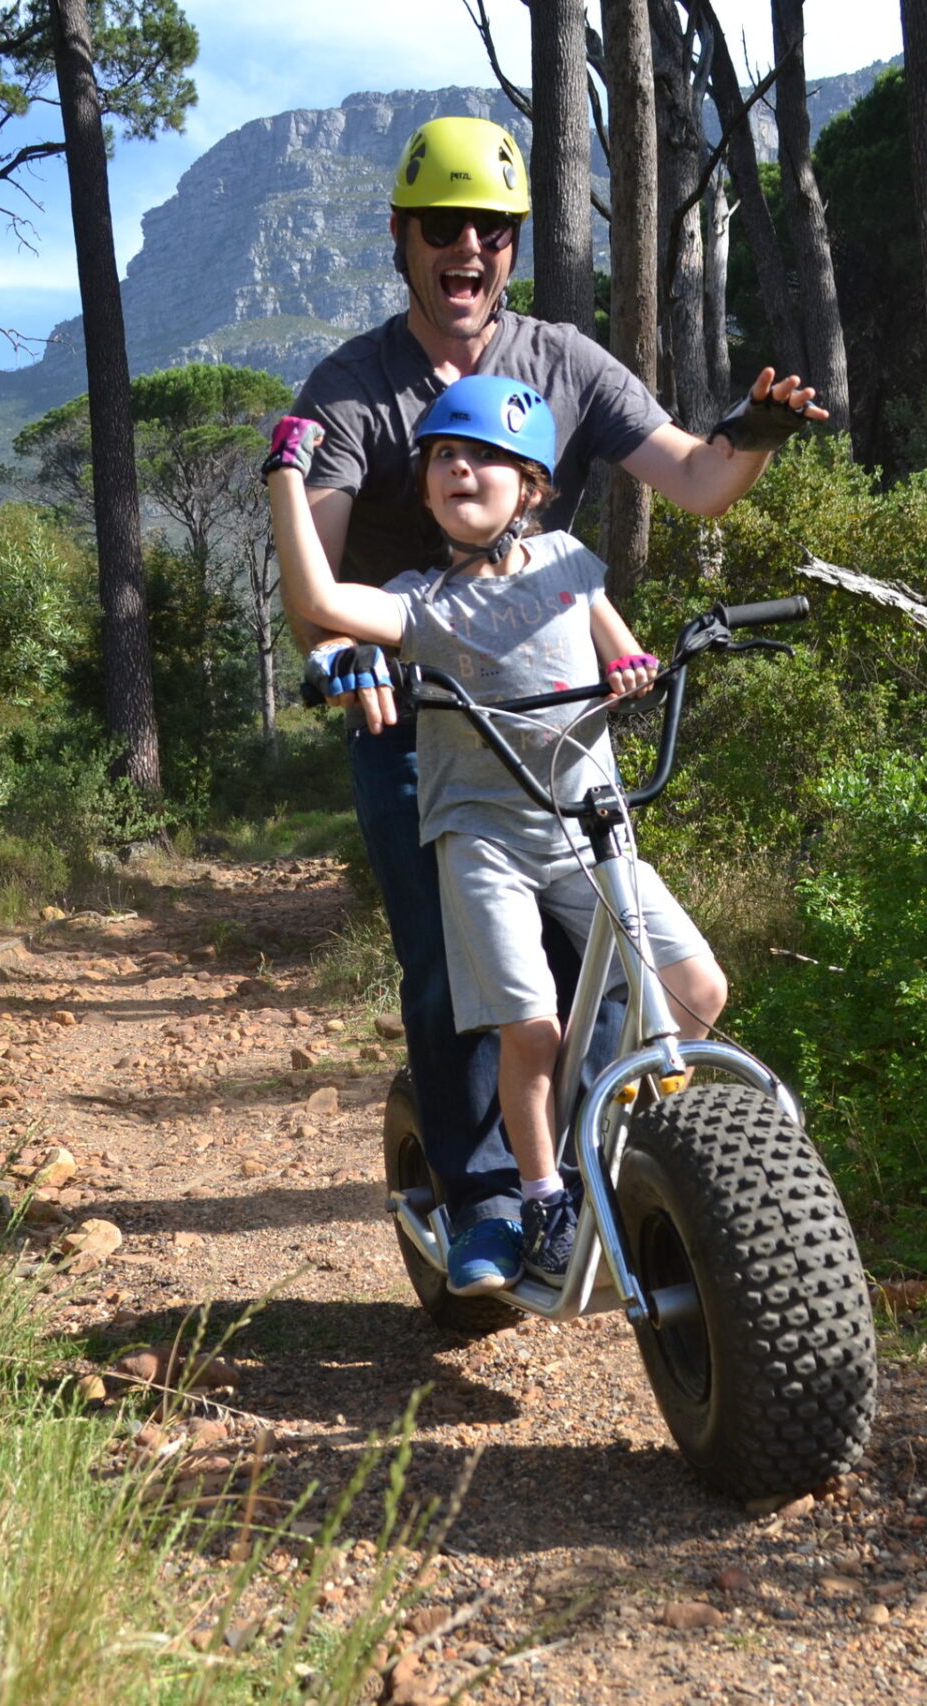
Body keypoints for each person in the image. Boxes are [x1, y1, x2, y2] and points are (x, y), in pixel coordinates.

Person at [287, 113, 820, 1296]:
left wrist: (755, 434)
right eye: (442, 226)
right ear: (402, 238)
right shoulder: (353, 390)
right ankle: (488, 1201)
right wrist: (346, 650)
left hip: (554, 729)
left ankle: (596, 1153)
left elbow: (693, 478)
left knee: (616, 954)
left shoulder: (565, 361)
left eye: (489, 227)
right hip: (411, 707)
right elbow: (320, 593)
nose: (464, 245)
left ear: (513, 246)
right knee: (447, 967)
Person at [266, 378, 729, 1288]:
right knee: (530, 1028)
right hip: (484, 838)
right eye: (443, 456)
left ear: (533, 487)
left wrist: (633, 665)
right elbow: (317, 596)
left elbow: (610, 636)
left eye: (482, 457)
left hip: (589, 824)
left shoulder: (565, 559)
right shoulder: (419, 601)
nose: (459, 468)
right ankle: (542, 1194)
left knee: (699, 988)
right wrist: (288, 476)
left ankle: (617, 1134)